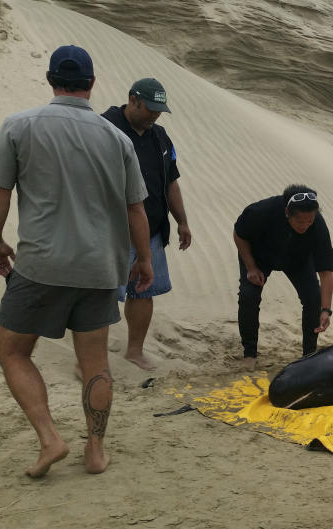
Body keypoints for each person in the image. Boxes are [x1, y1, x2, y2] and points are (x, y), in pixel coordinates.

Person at [0, 45, 152, 477]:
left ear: (50, 79)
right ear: (91, 84)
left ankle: (50, 439)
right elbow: (136, 208)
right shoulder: (117, 138)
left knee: (13, 351)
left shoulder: (19, 126)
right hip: (98, 269)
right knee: (95, 362)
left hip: (42, 264)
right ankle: (95, 452)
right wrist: (144, 258)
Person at [102, 77, 191, 371]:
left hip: (151, 228)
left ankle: (134, 351)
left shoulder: (161, 137)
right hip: (111, 230)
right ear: (132, 99)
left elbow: (172, 182)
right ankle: (91, 357)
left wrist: (182, 221)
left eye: (159, 110)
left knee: (144, 292)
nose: (154, 115)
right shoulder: (105, 128)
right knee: (100, 294)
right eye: (150, 108)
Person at [234, 185, 333, 367]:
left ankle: (309, 356)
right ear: (287, 212)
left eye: (309, 221)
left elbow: (326, 272)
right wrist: (251, 267)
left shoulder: (318, 225)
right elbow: (239, 234)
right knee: (249, 296)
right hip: (259, 256)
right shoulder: (262, 211)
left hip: (298, 259)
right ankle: (249, 354)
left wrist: (326, 310)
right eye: (300, 222)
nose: (305, 225)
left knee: (313, 299)